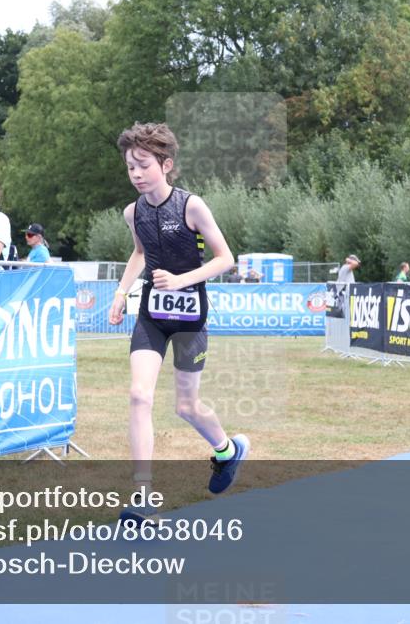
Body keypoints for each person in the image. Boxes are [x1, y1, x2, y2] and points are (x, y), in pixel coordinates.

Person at [108, 122, 249, 526]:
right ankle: (143, 496)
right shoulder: (132, 212)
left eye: (143, 165)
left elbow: (226, 259)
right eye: (130, 167)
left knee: (186, 406)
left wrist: (182, 279)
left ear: (165, 165)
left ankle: (226, 450)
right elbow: (139, 253)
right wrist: (121, 293)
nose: (135, 174)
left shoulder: (191, 206)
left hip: (190, 316)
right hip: (152, 315)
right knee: (139, 395)